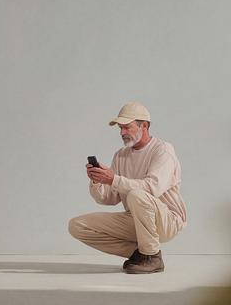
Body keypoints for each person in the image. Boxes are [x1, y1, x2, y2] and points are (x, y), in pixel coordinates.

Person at [68, 102, 187, 274]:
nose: (122, 133)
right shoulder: (121, 155)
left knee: (136, 195)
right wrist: (98, 180)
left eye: (127, 127)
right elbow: (108, 198)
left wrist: (114, 179)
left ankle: (152, 256)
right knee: (77, 225)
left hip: (167, 220)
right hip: (136, 218)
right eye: (120, 128)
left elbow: (151, 188)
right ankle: (139, 254)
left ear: (144, 126)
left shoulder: (163, 150)